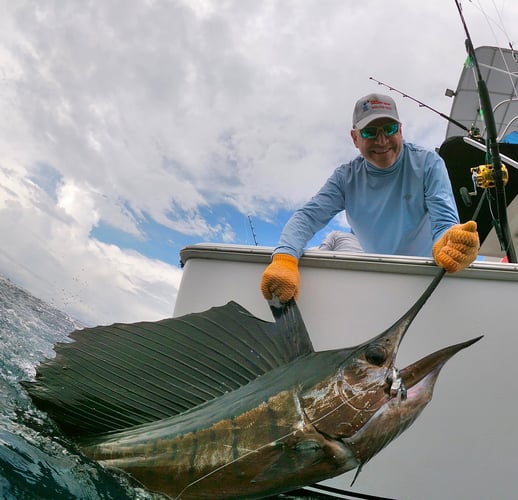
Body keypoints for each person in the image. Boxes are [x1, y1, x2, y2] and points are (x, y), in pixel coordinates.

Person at [261, 93, 479, 302]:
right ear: (355, 138)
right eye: (370, 132)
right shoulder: (345, 178)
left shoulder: (429, 163)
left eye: (390, 129)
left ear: (401, 130)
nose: (382, 140)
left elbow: (444, 223)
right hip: (375, 274)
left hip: (428, 273)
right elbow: (307, 218)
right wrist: (285, 258)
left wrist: (451, 243)